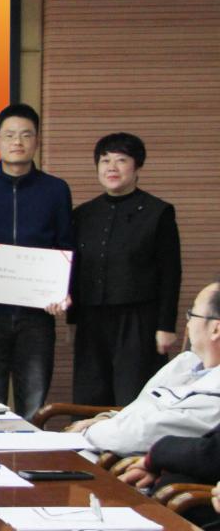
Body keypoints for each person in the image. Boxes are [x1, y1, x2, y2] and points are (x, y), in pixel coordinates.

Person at [0, 103, 73, 420]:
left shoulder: (56, 190)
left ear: (37, 140)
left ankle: (29, 452)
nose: (17, 142)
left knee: (33, 407)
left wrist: (62, 290)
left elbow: (66, 245)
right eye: (9, 135)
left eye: (26, 135)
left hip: (37, 316)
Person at [70, 132, 181, 406]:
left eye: (121, 160)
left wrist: (166, 326)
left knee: (133, 395)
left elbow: (171, 273)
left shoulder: (158, 212)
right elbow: (74, 268)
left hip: (138, 320)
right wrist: (73, 319)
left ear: (137, 166)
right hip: (91, 319)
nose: (112, 167)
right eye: (105, 160)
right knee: (89, 396)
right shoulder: (83, 214)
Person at [67, 280, 220, 456]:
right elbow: (141, 407)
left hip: (120, 461)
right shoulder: (186, 362)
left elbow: (144, 435)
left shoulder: (214, 397)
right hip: (102, 445)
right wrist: (107, 418)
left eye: (192, 314)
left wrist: (89, 432)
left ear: (216, 329)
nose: (188, 324)